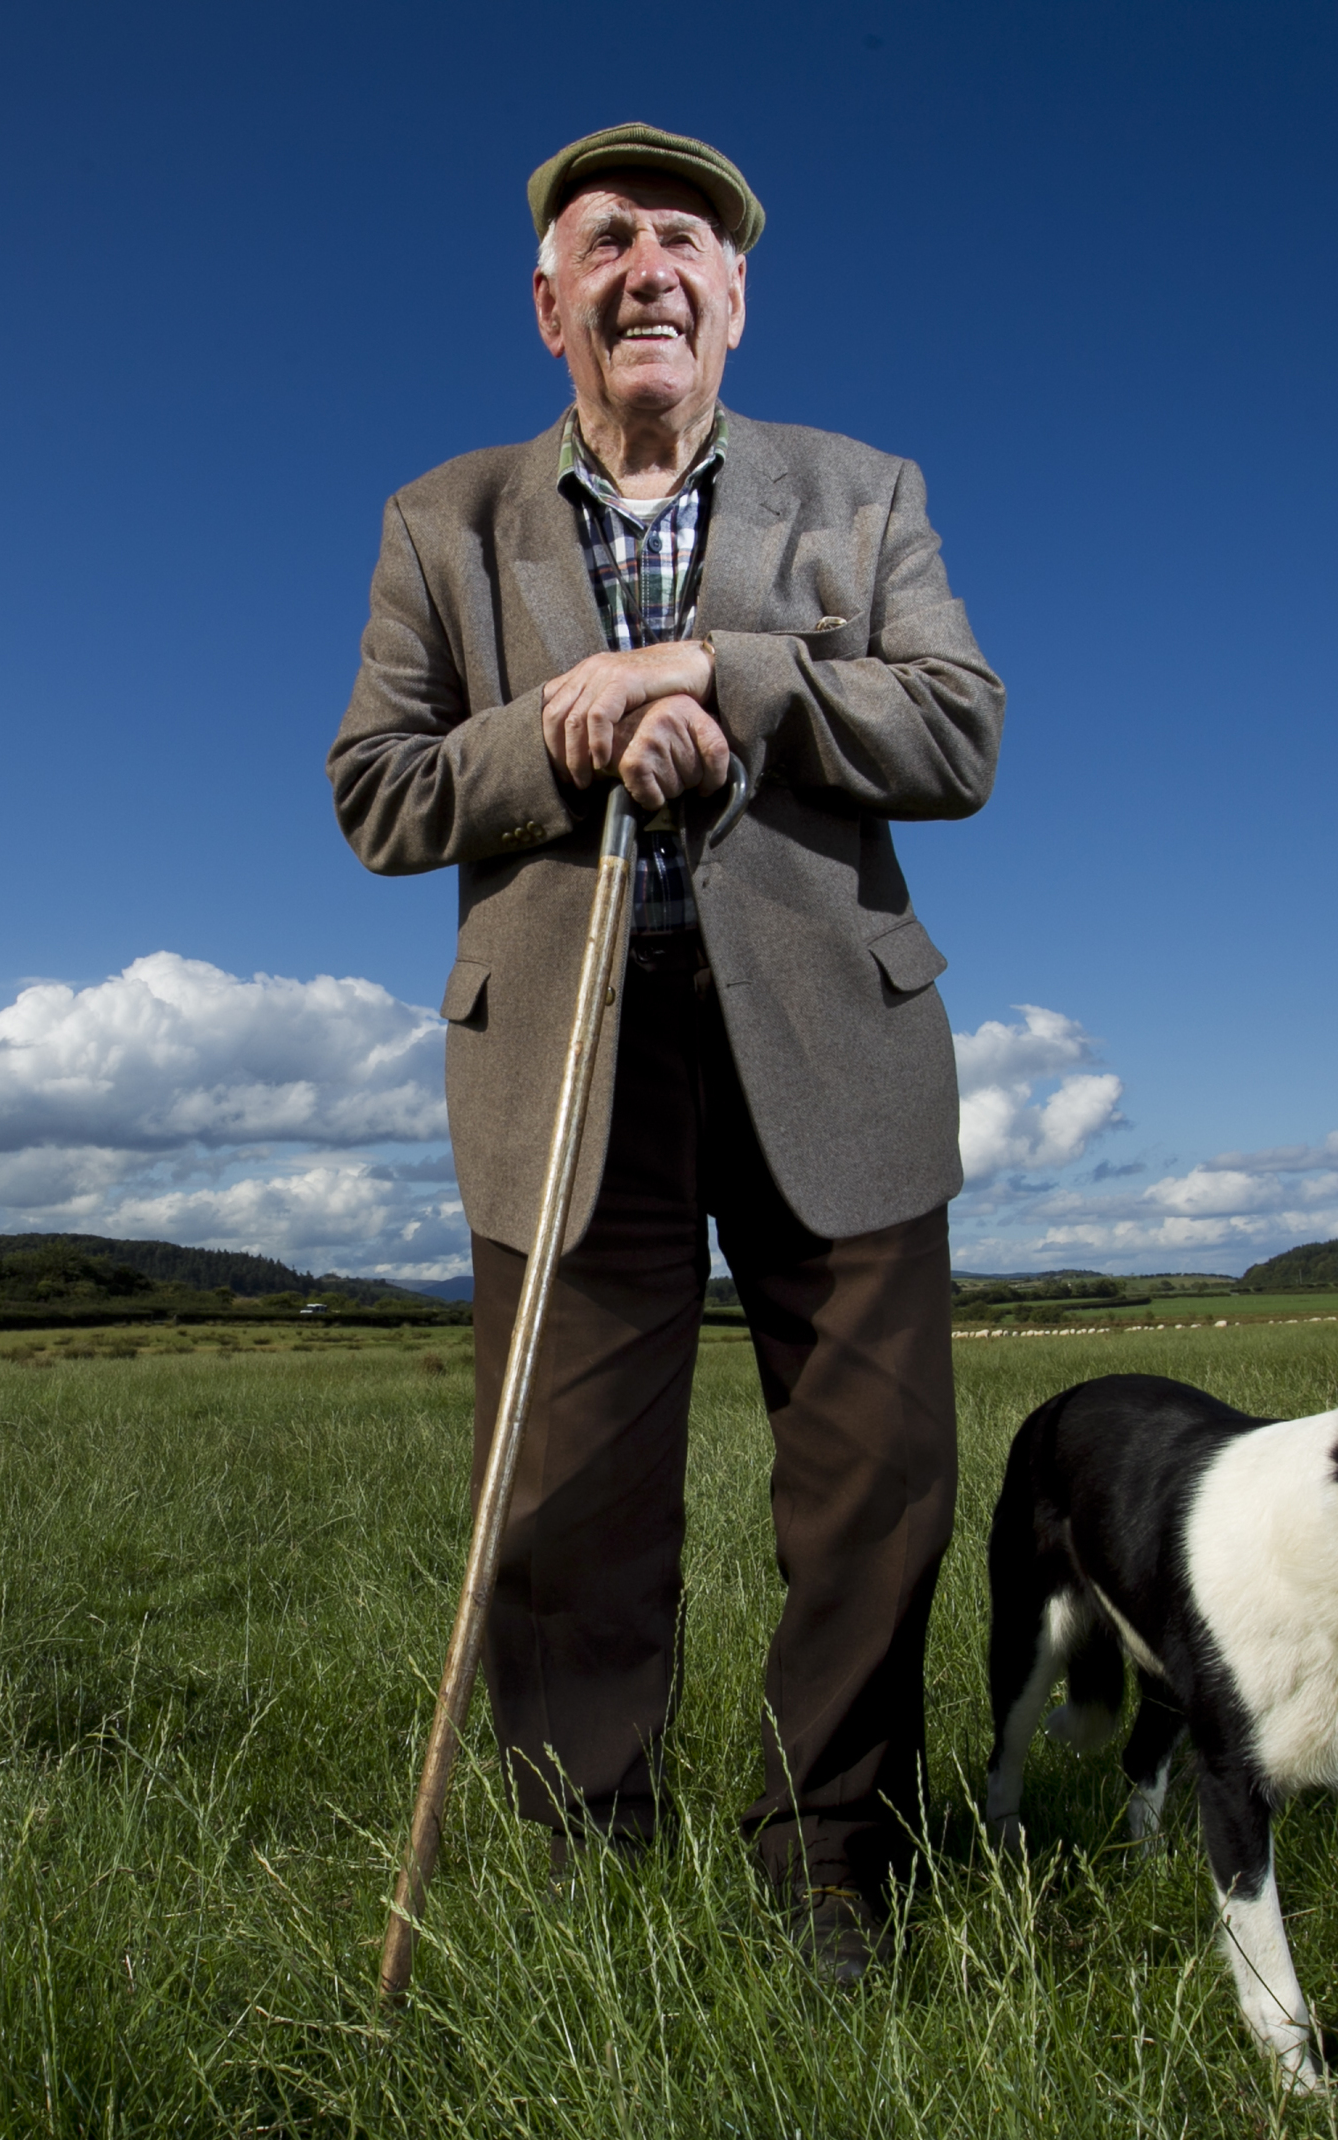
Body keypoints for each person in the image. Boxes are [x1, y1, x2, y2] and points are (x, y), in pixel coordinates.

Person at [327, 122, 1003, 1983]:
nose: (650, 266)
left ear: (735, 299)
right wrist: (568, 735)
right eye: (608, 237)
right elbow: (378, 795)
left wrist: (717, 678)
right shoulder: (439, 522)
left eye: (687, 241)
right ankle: (578, 1880)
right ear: (548, 299)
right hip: (565, 1055)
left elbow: (958, 734)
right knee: (559, 1491)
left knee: (878, 1475)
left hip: (834, 1043)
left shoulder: (862, 494)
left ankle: (830, 1869)